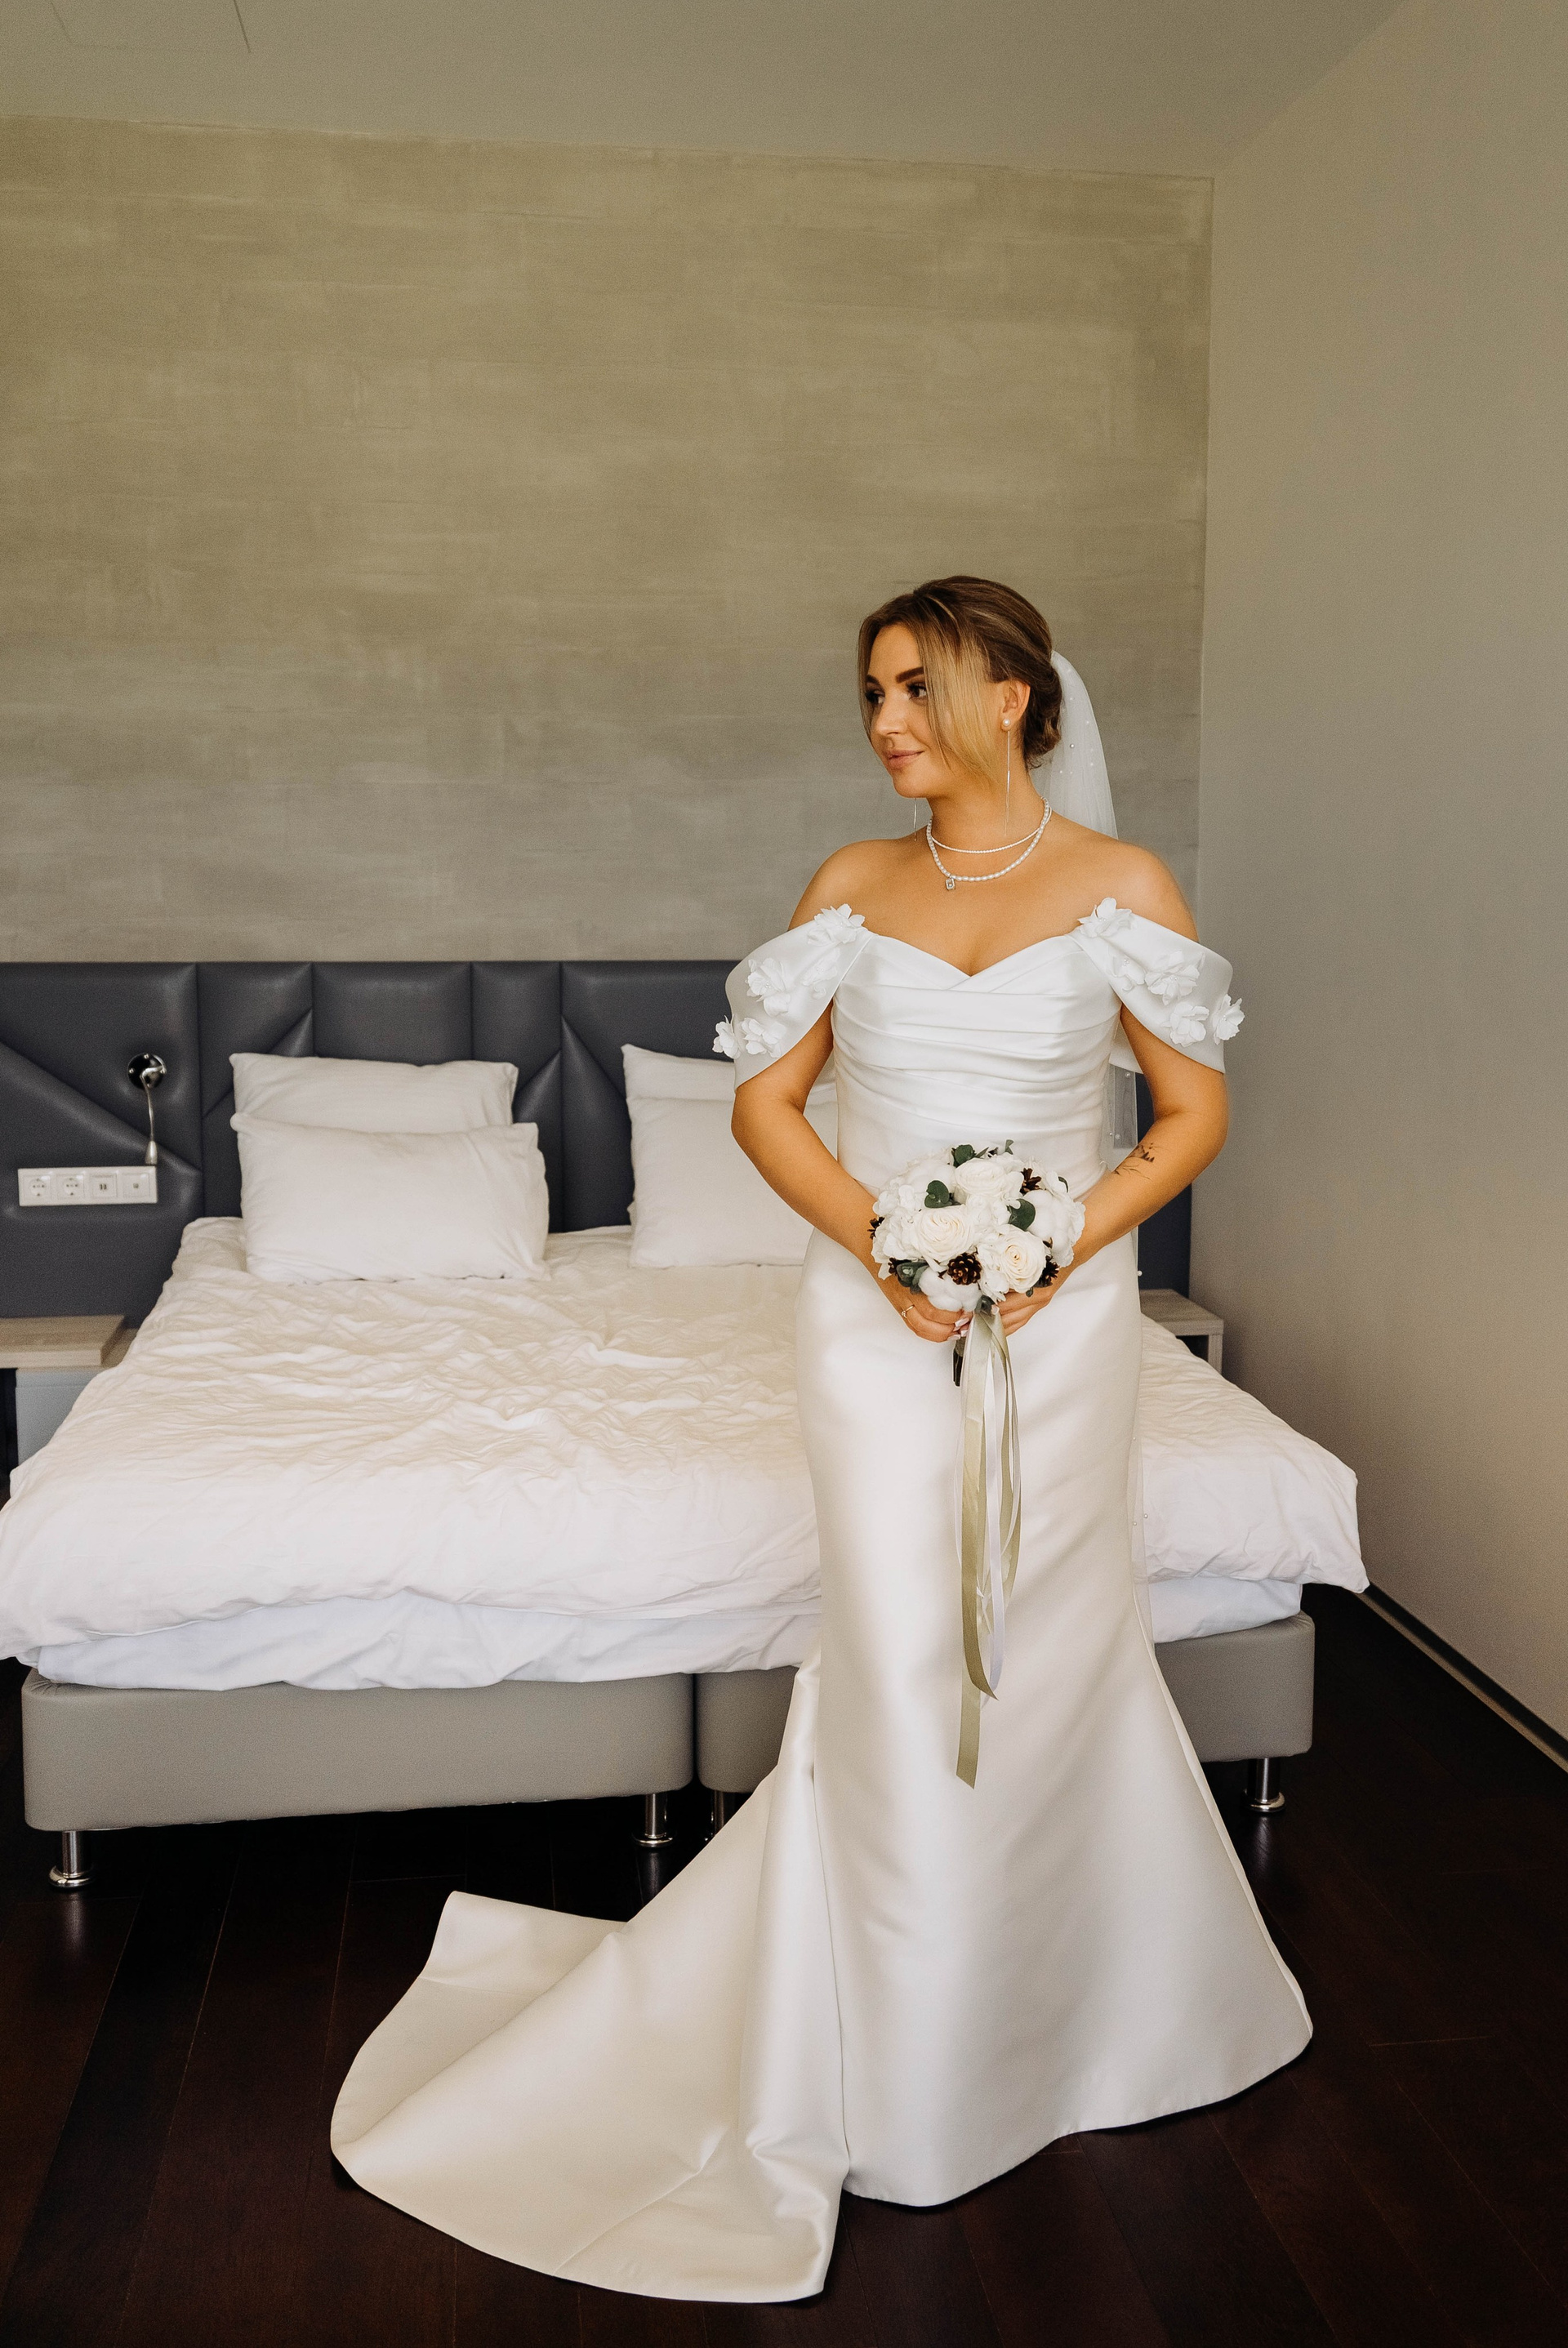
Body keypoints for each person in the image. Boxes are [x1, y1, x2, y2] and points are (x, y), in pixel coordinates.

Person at [332, 576, 1310, 2303]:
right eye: (871, 694)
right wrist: (888, 1245)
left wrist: (1056, 1246)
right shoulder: (849, 890)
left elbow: (1190, 1109)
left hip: (1066, 1320)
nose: (885, 724)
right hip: (870, 1321)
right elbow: (770, 1108)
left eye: (917, 687)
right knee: (903, 1638)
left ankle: (1077, 2006)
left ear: (1015, 698)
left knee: (1053, 1630)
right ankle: (898, 2040)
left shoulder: (1124, 891)